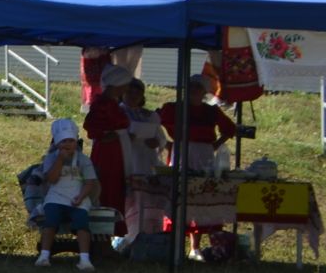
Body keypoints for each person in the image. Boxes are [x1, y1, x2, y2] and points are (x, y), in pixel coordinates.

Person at [34, 117, 100, 270]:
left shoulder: (83, 160)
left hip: (78, 197)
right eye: (63, 142)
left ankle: (84, 259)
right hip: (56, 196)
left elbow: (90, 182)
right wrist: (59, 160)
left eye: (70, 141)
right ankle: (44, 255)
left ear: (76, 142)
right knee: (50, 221)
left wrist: (81, 197)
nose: (67, 145)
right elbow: (51, 179)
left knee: (82, 224)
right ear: (57, 144)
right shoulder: (51, 159)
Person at [82, 64, 132, 236]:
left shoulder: (112, 103)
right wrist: (104, 136)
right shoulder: (102, 103)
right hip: (108, 153)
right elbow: (90, 125)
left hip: (118, 150)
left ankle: (111, 233)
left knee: (116, 188)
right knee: (107, 188)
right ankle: (103, 233)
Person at [118, 80, 167, 242]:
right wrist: (126, 137)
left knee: (146, 200)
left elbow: (162, 138)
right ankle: (126, 236)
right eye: (130, 93)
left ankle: (147, 234)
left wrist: (157, 142)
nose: (133, 96)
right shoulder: (118, 112)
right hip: (128, 159)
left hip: (147, 160)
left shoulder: (150, 115)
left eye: (137, 94)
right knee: (128, 199)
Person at [159, 75, 238, 173]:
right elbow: (152, 121)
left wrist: (216, 145)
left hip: (205, 152)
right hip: (181, 150)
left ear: (205, 91)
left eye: (198, 87)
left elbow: (230, 128)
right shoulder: (173, 108)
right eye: (191, 86)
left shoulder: (211, 111)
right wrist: (165, 143)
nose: (194, 89)